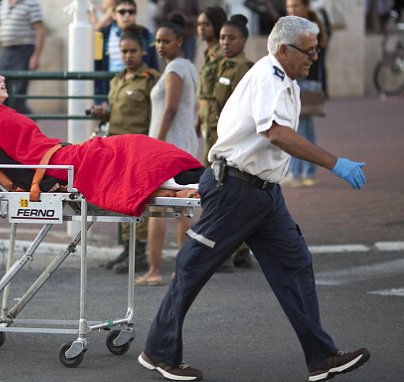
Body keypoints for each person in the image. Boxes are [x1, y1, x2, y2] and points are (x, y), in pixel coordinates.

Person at [137, 16, 370, 381]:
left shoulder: (288, 81)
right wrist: (333, 162)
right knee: (192, 266)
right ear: (283, 50)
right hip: (236, 189)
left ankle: (322, 357)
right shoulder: (269, 76)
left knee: (294, 264)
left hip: (264, 195)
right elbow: (275, 132)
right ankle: (158, 351)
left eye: (316, 50)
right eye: (309, 51)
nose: (314, 57)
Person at [0, 63, 205, 218]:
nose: (2, 79)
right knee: (130, 150)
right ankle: (199, 179)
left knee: (134, 147)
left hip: (65, 156)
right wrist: (45, 181)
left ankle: (195, 177)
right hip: (61, 164)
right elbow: (4, 161)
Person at [89, 26, 160, 273]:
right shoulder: (117, 80)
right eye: (124, 51)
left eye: (133, 51)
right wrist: (103, 113)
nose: (128, 56)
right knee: (121, 199)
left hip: (139, 148)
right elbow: (117, 113)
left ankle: (139, 251)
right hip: (116, 147)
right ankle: (128, 249)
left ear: (142, 52)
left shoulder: (151, 79)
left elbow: (156, 115)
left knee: (139, 199)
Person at [134, 14, 199, 283]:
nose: (160, 46)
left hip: (168, 150)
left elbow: (170, 108)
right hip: (184, 145)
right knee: (183, 208)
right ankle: (183, 271)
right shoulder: (189, 67)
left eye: (166, 41)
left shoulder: (174, 70)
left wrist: (156, 144)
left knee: (159, 208)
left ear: (179, 41)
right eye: (157, 41)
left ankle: (155, 270)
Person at [213, 14, 256, 272]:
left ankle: (236, 251)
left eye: (232, 38)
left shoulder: (243, 68)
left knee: (232, 195)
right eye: (222, 38)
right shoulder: (224, 65)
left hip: (235, 141)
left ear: (244, 40)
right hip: (220, 137)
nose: (226, 42)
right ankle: (238, 250)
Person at [285, 0, 328, 187]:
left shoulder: (311, 29)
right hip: (298, 80)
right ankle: (304, 173)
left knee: (300, 129)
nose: (291, 10)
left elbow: (312, 55)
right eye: (289, 6)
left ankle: (299, 173)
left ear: (305, 7)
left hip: (307, 81)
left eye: (295, 6)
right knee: (304, 128)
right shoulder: (290, 26)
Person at [95, 0, 158, 104]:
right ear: (114, 15)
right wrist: (100, 100)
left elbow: (153, 66)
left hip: (139, 94)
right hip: (109, 93)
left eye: (131, 12)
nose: (127, 15)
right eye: (122, 12)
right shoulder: (102, 35)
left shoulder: (146, 35)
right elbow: (97, 69)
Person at [0, 0, 45, 114]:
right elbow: (0, 29)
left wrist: (35, 56)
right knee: (0, 89)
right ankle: (8, 122)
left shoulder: (31, 3)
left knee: (18, 94)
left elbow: (40, 30)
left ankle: (28, 120)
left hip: (24, 50)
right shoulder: (4, 3)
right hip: (6, 50)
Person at [195, 5, 227, 167]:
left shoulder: (221, 54)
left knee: (212, 162)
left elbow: (220, 90)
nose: (201, 29)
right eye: (199, 24)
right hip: (206, 115)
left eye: (206, 25)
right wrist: (199, 119)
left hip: (215, 116)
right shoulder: (208, 53)